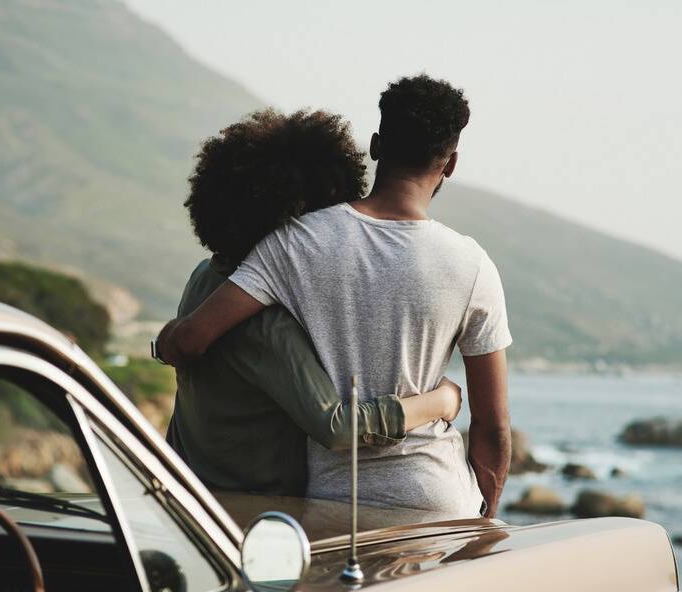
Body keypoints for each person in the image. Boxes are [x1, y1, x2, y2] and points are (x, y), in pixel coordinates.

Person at [157, 75, 513, 517]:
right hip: (436, 503)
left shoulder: (289, 245)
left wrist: (164, 341)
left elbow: (190, 339)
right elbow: (493, 430)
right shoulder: (473, 264)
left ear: (376, 145)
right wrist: (484, 517)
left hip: (324, 508)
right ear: (451, 163)